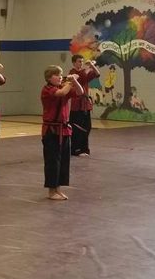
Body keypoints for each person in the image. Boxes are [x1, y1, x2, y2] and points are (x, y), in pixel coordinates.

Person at [41, 66, 82, 200]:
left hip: (64, 130)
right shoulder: (47, 90)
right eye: (56, 75)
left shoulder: (63, 87)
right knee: (53, 161)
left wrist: (74, 81)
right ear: (48, 78)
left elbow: (80, 92)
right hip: (51, 131)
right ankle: (51, 191)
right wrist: (70, 81)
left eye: (60, 75)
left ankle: (58, 189)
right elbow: (62, 93)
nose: (59, 77)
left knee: (63, 161)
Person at [68, 55, 100, 157]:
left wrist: (92, 65)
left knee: (87, 127)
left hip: (85, 104)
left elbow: (97, 73)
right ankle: (75, 149)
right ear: (73, 63)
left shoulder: (84, 72)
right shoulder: (72, 73)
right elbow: (82, 75)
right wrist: (90, 66)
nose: (81, 63)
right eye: (78, 62)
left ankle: (84, 149)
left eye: (82, 62)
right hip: (76, 105)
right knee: (77, 128)